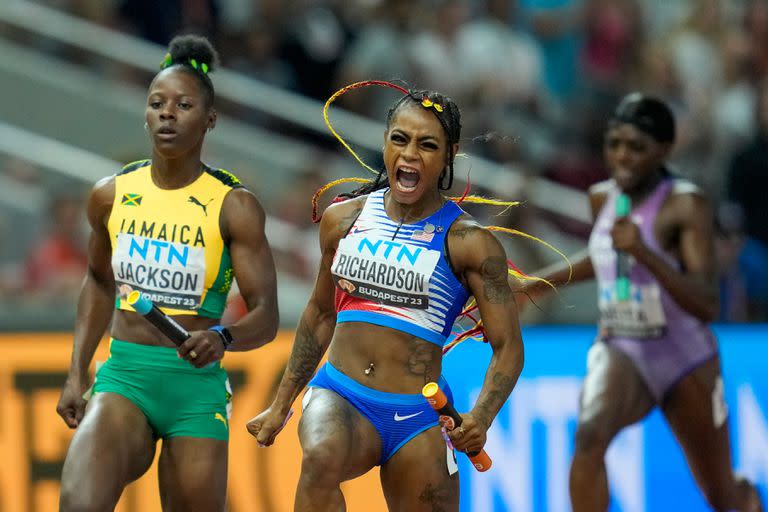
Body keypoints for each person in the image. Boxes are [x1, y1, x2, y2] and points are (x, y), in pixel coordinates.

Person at [246, 82, 526, 511]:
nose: (410, 154)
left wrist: (482, 416)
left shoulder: (469, 241)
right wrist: (280, 404)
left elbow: (509, 348)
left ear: (448, 155)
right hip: (341, 395)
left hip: (419, 417)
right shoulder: (343, 220)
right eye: (400, 139)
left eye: (427, 145)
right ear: (385, 143)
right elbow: (320, 314)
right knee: (320, 458)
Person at [56, 34, 279, 511]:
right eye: (157, 103)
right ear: (145, 113)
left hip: (193, 390)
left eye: (183, 105)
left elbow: (265, 314)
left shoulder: (234, 206)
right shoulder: (110, 194)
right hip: (124, 376)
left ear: (210, 120)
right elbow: (97, 281)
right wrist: (77, 373)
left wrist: (223, 337)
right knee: (78, 503)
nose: (167, 113)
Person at [523, 93, 763, 512]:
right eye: (614, 144)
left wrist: (646, 254)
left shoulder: (685, 204)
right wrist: (538, 282)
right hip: (623, 345)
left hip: (684, 354)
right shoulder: (603, 196)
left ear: (665, 149)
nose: (622, 157)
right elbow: (606, 257)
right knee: (589, 436)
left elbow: (707, 304)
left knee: (721, 494)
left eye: (637, 147)